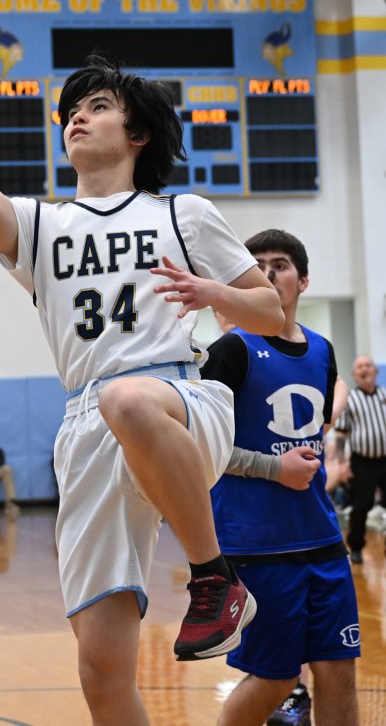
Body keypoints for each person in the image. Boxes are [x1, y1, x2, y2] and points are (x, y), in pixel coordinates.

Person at [0, 28, 285, 726]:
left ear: (138, 133)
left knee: (129, 398)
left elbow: (270, 312)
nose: (77, 119)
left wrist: (213, 294)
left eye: (96, 106)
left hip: (181, 399)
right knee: (100, 669)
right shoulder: (43, 226)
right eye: (70, 112)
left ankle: (214, 577)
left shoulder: (182, 213)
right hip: (86, 425)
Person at [201, 229, 360, 726]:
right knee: (274, 679)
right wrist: (275, 468)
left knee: (339, 672)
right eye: (257, 265)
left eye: (280, 264)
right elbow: (200, 450)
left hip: (323, 539)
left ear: (303, 280)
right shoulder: (230, 351)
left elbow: (316, 431)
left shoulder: (323, 351)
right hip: (258, 546)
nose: (268, 273)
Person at [334, 354, 386, 564]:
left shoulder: (384, 394)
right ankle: (355, 546)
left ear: (376, 371)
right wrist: (342, 464)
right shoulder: (350, 399)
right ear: (354, 374)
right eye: (360, 367)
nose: (364, 369)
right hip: (362, 461)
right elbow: (340, 435)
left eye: (368, 365)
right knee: (361, 505)